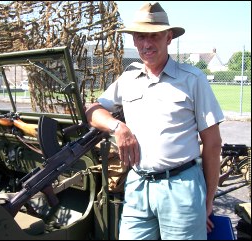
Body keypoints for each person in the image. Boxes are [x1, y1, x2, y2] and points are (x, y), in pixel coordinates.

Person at [85, 2, 225, 240]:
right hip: (138, 186)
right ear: (134, 41)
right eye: (140, 37)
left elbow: (212, 144)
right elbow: (92, 110)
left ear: (169, 38)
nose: (146, 44)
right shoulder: (128, 79)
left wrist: (207, 202)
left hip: (181, 188)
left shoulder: (192, 79)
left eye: (154, 36)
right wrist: (118, 127)